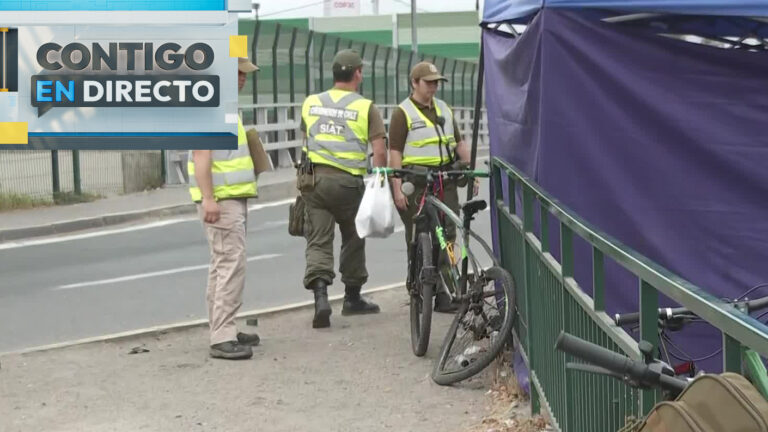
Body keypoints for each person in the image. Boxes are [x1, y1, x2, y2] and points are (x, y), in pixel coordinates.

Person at [299, 49, 387, 328]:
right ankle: (352, 298)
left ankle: (321, 298)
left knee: (318, 239)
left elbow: (305, 141)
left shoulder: (311, 102)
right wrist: (379, 179)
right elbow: (379, 149)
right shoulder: (365, 107)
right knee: (353, 236)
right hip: (349, 183)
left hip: (314, 182)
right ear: (357, 73)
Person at [187, 57, 261, 360]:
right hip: (221, 200)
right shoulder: (212, 107)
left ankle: (223, 327)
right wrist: (208, 199)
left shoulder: (223, 107)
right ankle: (222, 336)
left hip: (230, 197)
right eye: (239, 74)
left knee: (222, 266)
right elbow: (201, 153)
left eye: (244, 75)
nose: (243, 79)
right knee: (231, 265)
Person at [388, 61, 475, 313]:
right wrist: (396, 188)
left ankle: (447, 290)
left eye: (436, 82)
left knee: (447, 234)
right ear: (414, 83)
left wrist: (471, 169)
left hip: (444, 180)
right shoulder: (402, 113)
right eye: (428, 83)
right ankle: (421, 287)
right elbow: (395, 152)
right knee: (419, 235)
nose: (433, 87)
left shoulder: (444, 110)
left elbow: (458, 143)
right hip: (414, 183)